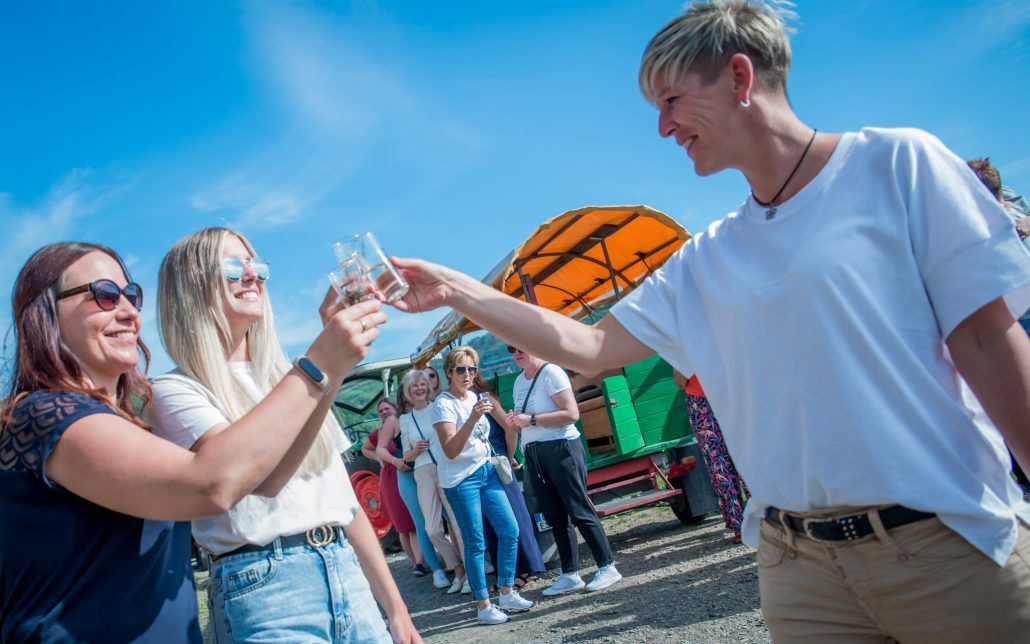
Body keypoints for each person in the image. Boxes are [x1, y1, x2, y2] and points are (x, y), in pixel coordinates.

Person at [392, 1, 1030, 640]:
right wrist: (454, 290)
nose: (664, 127)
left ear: (740, 78)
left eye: (671, 100)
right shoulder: (705, 258)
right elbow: (589, 346)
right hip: (799, 565)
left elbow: (986, 341)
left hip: (946, 542)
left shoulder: (897, 166)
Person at [0, 241, 384, 642]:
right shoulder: (45, 415)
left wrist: (333, 369)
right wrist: (317, 363)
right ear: (44, 313)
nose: (129, 311)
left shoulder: (128, 423)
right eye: (104, 294)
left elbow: (263, 480)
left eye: (131, 296)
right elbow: (210, 483)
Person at [148, 227, 417, 643]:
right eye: (233, 268)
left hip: (344, 570)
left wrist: (396, 611)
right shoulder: (175, 391)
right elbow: (263, 481)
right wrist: (325, 363)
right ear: (190, 285)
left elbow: (343, 506)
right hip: (263, 585)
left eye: (256, 266)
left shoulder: (289, 379)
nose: (252, 276)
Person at [504, 347, 621, 595]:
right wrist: (518, 423)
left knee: (578, 508)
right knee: (554, 515)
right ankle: (570, 573)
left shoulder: (551, 372)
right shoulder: (518, 382)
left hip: (561, 446)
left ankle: (607, 565)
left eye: (520, 348)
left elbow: (571, 413)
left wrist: (531, 420)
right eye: (511, 349)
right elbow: (525, 418)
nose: (516, 353)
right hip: (535, 452)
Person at [431, 346, 533, 625]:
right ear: (449, 372)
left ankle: (507, 591)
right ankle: (484, 606)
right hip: (460, 481)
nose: (468, 374)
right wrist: (474, 417)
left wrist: (503, 458)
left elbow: (483, 438)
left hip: (486, 472)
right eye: (461, 369)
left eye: (472, 368)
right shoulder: (443, 404)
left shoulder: (476, 396)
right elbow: (451, 450)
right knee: (475, 542)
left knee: (510, 531)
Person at [395, 369, 468, 591]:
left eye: (423, 384)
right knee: (432, 528)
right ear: (408, 391)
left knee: (457, 522)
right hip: (422, 470)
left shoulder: (439, 407)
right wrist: (415, 451)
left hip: (445, 467)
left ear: (428, 387)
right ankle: (457, 568)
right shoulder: (406, 419)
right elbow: (405, 456)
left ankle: (470, 574)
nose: (419, 389)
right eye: (414, 386)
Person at [473, 373, 547, 590]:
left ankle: (525, 569)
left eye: (468, 370)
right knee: (492, 522)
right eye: (458, 370)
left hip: (498, 462)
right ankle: (506, 573)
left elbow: (511, 427)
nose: (464, 375)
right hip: (480, 467)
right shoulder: (460, 403)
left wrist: (508, 455)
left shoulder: (484, 398)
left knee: (514, 516)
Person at [375, 396, 449, 584]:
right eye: (408, 399)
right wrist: (396, 462)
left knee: (448, 516)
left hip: (433, 468)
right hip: (408, 473)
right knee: (421, 524)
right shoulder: (394, 420)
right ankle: (436, 571)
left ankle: (455, 561)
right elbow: (380, 449)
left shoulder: (430, 411)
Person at [674, 370, 749, 543]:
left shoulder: (683, 345)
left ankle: (743, 526)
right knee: (744, 457)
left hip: (706, 399)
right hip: (724, 394)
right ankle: (763, 521)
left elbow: (679, 382)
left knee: (720, 464)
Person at [362, 399, 424, 574]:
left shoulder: (401, 425)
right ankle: (416, 563)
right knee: (403, 525)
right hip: (390, 476)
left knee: (414, 520)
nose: (384, 412)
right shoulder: (377, 433)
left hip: (407, 471)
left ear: (394, 408)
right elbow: (366, 449)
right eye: (380, 410)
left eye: (386, 408)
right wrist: (379, 458)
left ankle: (421, 561)